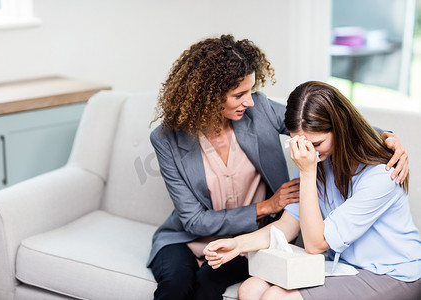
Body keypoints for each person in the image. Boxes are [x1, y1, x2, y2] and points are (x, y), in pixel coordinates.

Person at [148, 35, 408, 300]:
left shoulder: (272, 123)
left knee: (214, 286)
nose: (249, 101)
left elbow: (330, 123)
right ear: (209, 97)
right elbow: (195, 220)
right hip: (192, 236)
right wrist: (261, 215)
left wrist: (385, 137)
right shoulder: (167, 138)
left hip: (375, 266)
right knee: (183, 287)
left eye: (250, 91)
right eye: (239, 94)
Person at [203, 81, 421, 300]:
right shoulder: (315, 160)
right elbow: (287, 225)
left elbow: (316, 244)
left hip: (393, 272)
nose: (310, 153)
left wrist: (308, 172)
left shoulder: (381, 174)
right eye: (301, 144)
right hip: (344, 266)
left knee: (277, 297)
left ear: (340, 129)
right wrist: (236, 244)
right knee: (250, 289)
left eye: (317, 144)